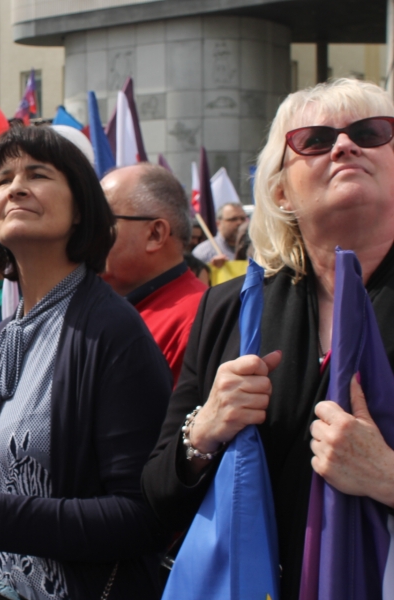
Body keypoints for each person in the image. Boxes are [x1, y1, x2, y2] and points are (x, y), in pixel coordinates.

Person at [142, 78, 394, 599]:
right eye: (315, 140)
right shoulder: (229, 308)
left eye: (370, 133)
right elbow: (157, 495)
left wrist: (385, 476)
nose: (345, 147)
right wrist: (204, 430)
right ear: (281, 191)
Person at [0, 126, 172, 599]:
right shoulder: (3, 336)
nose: (16, 188)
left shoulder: (112, 331)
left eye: (38, 174)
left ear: (80, 209)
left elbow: (145, 517)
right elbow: (2, 480)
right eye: (3, 179)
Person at [100, 163, 208, 385]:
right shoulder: (104, 308)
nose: (88, 232)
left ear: (155, 234)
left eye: (102, 220)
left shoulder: (196, 323)